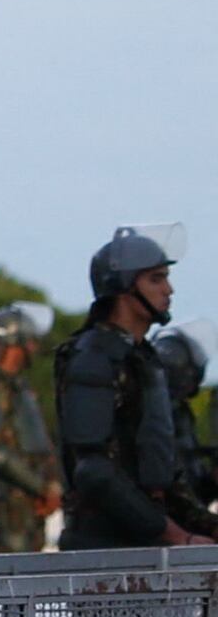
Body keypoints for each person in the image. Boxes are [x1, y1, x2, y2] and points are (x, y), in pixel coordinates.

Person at [52, 228, 202, 552]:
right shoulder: (93, 357)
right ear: (124, 286)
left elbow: (163, 474)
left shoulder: (142, 357)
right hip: (105, 551)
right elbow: (94, 472)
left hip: (143, 543)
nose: (169, 289)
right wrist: (175, 534)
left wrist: (204, 526)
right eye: (156, 279)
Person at [0, 300, 65, 554]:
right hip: (11, 503)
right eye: (29, 341)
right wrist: (41, 487)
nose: (33, 347)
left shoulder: (17, 387)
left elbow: (37, 442)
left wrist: (50, 485)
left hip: (30, 501)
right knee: (14, 575)